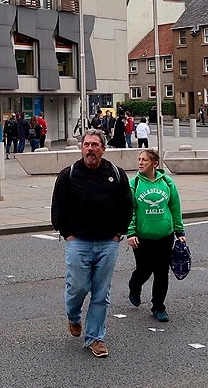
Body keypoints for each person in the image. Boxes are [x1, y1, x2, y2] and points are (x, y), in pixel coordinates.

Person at [51, 129, 133, 358]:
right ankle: (74, 316)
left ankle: (95, 338)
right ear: (81, 148)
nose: (90, 149)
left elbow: (127, 205)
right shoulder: (69, 174)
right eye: (86, 144)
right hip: (79, 242)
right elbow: (58, 207)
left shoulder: (116, 174)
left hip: (108, 242)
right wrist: (67, 233)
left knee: (100, 293)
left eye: (95, 145)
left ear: (103, 149)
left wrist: (119, 233)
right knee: (77, 287)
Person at [126, 149, 186, 323]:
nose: (140, 163)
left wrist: (179, 231)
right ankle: (135, 285)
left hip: (164, 236)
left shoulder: (167, 182)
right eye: (139, 159)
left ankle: (158, 307)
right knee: (144, 270)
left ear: (155, 163)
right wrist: (131, 232)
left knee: (161, 272)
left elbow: (175, 207)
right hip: (142, 237)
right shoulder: (134, 183)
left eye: (144, 160)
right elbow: (131, 210)